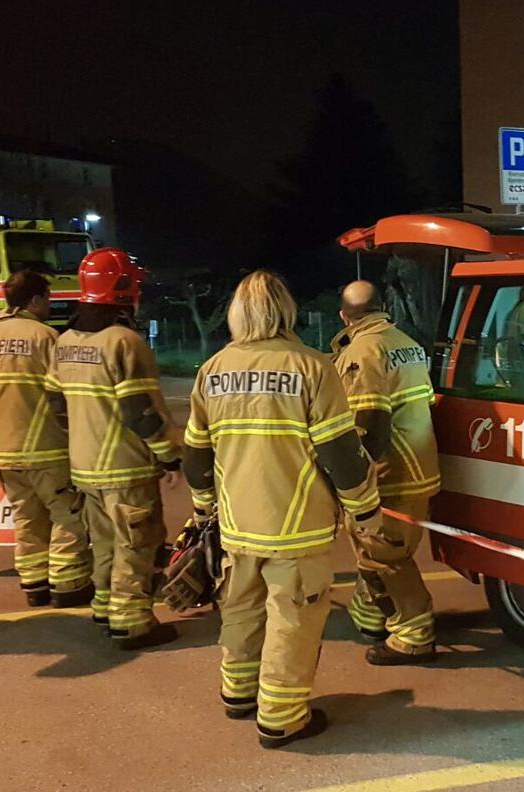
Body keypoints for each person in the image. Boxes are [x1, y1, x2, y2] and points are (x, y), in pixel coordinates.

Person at [183, 270, 382, 749]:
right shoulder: (312, 367)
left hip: (237, 525)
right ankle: (282, 716)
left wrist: (204, 507)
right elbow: (341, 454)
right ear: (286, 311)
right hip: (297, 527)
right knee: (293, 617)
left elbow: (196, 455)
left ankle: (239, 692)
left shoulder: (212, 369)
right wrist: (365, 511)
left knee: (243, 607)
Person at [46, 248, 182, 650]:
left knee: (104, 543)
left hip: (84, 466)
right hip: (125, 468)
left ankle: (105, 609)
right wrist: (168, 455)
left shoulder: (65, 341)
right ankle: (133, 622)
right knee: (137, 544)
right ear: (124, 289)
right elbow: (140, 411)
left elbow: (57, 406)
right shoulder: (125, 342)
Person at [0, 270, 90, 608]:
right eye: (47, 297)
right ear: (35, 300)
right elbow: (62, 394)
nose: (49, 304)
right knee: (68, 514)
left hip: (3, 450)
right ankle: (69, 583)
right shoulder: (46, 337)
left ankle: (34, 584)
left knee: (27, 516)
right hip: (45, 447)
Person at [330, 281, 439, 664]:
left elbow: (369, 422)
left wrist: (355, 481)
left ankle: (414, 634)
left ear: (345, 315)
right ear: (383, 306)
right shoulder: (405, 341)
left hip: (391, 473)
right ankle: (372, 614)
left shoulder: (363, 350)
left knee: (386, 556)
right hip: (419, 464)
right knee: (376, 551)